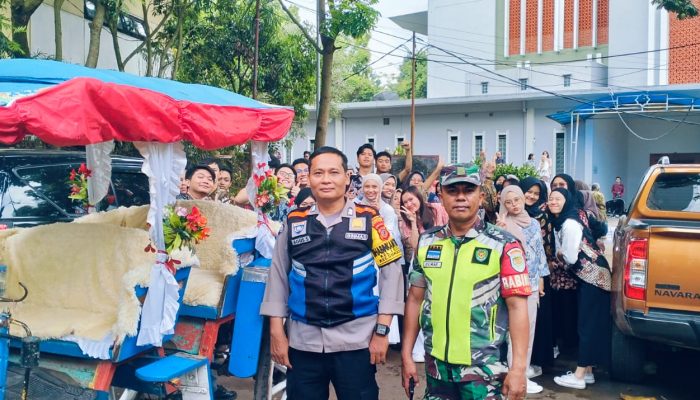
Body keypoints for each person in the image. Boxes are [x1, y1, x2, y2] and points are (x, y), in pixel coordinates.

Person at [260, 146, 405, 400]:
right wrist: (277, 332)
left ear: (347, 177)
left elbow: (392, 273)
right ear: (309, 178)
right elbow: (278, 276)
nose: (326, 179)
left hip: (356, 340)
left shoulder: (371, 219)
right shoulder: (294, 221)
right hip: (303, 341)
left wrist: (382, 331)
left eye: (333, 172)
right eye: (318, 173)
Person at [401, 163, 531, 400]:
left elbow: (518, 308)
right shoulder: (428, 242)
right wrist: (407, 355)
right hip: (437, 369)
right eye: (453, 191)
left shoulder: (503, 244)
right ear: (440, 195)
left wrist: (519, 369)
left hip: (484, 372)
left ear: (480, 196)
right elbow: (415, 299)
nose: (460, 197)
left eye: (468, 190)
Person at [548, 188, 612, 390]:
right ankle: (589, 372)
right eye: (551, 199)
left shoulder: (569, 223)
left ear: (566, 201)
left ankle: (579, 376)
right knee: (591, 323)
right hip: (597, 276)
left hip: (592, 276)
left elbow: (570, 257)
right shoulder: (574, 216)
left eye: (558, 199)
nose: (553, 202)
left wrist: (559, 254)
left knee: (586, 324)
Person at [496, 186, 548, 395]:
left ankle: (522, 373)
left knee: (529, 330)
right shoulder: (501, 224)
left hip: (532, 284)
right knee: (512, 333)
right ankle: (514, 373)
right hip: (511, 285)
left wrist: (542, 279)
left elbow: (539, 252)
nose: (514, 205)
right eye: (508, 202)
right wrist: (500, 231)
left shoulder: (533, 224)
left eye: (517, 200)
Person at [519, 177, 556, 376]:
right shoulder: (507, 214)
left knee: (535, 322)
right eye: (529, 191)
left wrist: (542, 275)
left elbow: (545, 247)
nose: (532, 196)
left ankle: (531, 363)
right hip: (514, 276)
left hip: (537, 275)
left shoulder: (540, 217)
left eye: (536, 193)